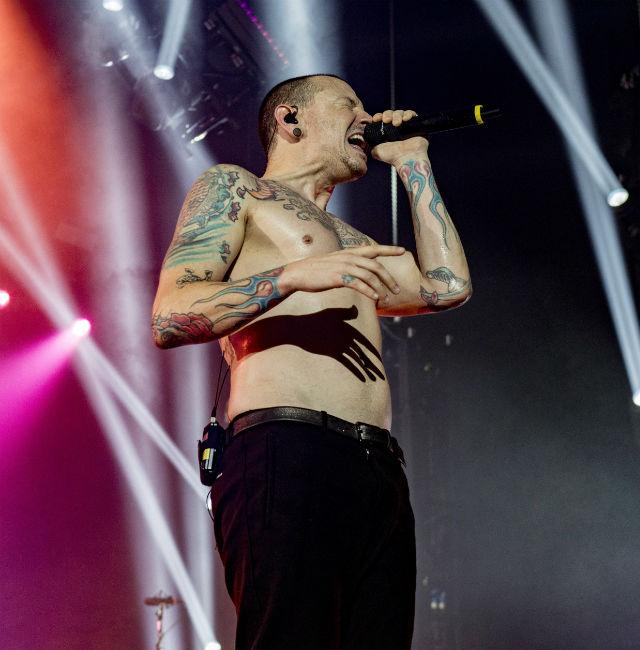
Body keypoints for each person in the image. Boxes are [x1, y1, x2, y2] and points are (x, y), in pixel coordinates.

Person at [151, 74, 471, 650]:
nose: (366, 118)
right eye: (349, 105)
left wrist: (413, 162)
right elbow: (171, 316)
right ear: (290, 119)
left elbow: (446, 286)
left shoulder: (356, 243)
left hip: (377, 468)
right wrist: (292, 276)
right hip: (286, 448)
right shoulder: (237, 188)